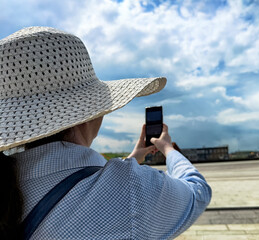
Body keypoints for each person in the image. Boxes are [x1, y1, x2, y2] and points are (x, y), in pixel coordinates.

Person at [0, 27, 211, 239]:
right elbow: (198, 191)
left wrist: (134, 158)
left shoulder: (10, 180)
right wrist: (167, 149)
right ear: (91, 113)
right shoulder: (129, 186)